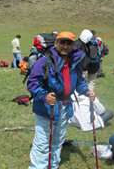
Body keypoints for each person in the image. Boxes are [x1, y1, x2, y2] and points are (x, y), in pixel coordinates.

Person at [27, 31, 95, 169]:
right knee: (43, 141)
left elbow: (79, 81)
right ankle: (38, 166)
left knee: (58, 139)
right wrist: (44, 95)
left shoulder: (74, 62)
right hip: (47, 107)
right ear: (56, 43)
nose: (65, 46)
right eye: (62, 42)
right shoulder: (44, 61)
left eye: (68, 43)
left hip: (65, 106)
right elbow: (32, 82)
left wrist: (86, 91)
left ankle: (53, 165)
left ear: (73, 45)